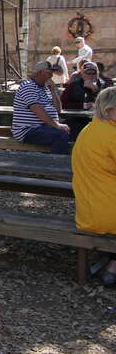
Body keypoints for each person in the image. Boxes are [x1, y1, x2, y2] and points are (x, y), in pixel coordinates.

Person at [71, 86, 116, 286]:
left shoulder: (88, 130)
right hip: (108, 213)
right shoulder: (111, 135)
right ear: (108, 110)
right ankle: (113, 268)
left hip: (87, 211)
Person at [11, 60, 70, 154]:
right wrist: (57, 125)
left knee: (76, 129)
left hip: (44, 127)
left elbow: (58, 109)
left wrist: (53, 91)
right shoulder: (28, 86)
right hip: (28, 130)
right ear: (40, 72)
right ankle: (55, 165)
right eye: (49, 71)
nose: (52, 74)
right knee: (61, 135)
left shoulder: (45, 89)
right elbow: (37, 109)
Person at [61, 61, 105, 139]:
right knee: (72, 129)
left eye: (93, 73)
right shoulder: (73, 85)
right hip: (78, 118)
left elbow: (109, 102)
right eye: (88, 73)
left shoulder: (105, 84)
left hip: (100, 119)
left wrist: (96, 91)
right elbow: (63, 103)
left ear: (98, 74)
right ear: (82, 74)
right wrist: (82, 105)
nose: (91, 76)